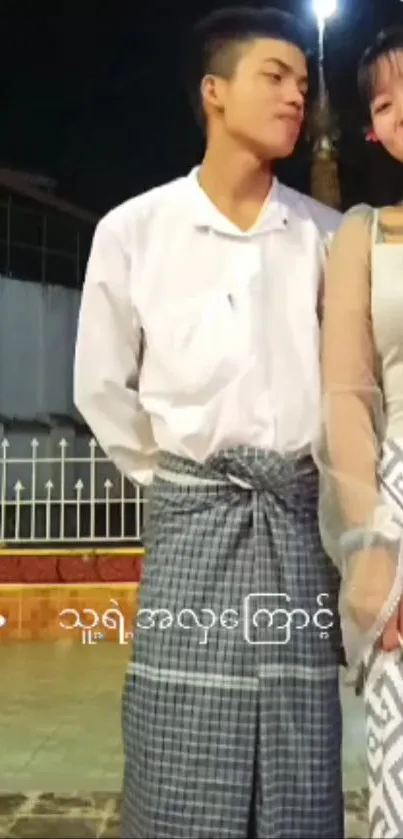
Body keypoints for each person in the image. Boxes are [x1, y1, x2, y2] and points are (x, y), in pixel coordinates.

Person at [74, 7, 344, 838]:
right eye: (275, 76)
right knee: (177, 737)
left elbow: (347, 399)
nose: (296, 96)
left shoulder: (326, 238)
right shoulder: (135, 230)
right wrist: (182, 480)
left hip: (295, 524)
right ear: (214, 92)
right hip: (193, 521)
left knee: (297, 743)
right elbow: (101, 386)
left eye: (304, 82)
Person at [315, 25, 403, 839]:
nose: (400, 106)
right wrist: (373, 554)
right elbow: (346, 396)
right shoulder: (364, 235)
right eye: (383, 99)